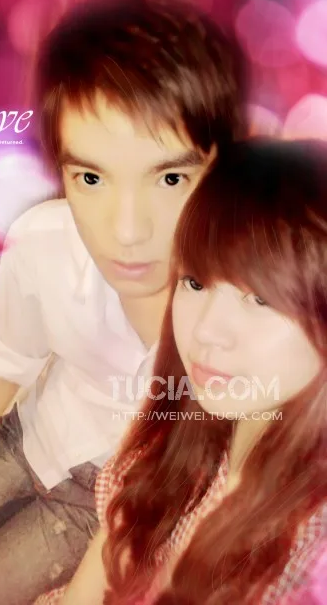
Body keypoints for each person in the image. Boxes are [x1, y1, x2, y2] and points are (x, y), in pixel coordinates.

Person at [0, 0, 247, 604]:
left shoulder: (247, 314)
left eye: (170, 177)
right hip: (23, 439)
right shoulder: (44, 243)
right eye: (91, 178)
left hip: (93, 504)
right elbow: (4, 365)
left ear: (224, 168)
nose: (127, 230)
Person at [36, 138, 327, 605]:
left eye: (260, 298)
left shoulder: (309, 544)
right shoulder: (188, 422)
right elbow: (112, 552)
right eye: (195, 282)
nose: (206, 330)